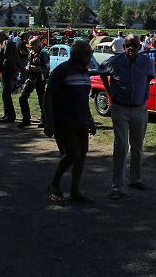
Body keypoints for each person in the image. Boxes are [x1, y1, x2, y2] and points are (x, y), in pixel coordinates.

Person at [98, 34, 156, 200]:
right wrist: (109, 92)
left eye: (135, 45)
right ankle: (117, 186)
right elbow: (102, 71)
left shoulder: (146, 62)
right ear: (123, 47)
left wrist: (143, 93)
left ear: (140, 47)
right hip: (120, 108)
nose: (131, 48)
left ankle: (135, 180)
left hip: (140, 109)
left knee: (137, 146)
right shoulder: (114, 61)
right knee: (121, 146)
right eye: (128, 45)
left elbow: (150, 77)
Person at [43, 39, 96, 203]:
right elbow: (48, 96)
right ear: (77, 54)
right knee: (73, 153)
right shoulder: (62, 70)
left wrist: (90, 119)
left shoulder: (85, 72)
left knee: (82, 155)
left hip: (81, 121)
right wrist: (49, 122)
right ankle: (54, 184)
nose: (90, 55)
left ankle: (75, 191)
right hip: (63, 120)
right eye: (88, 53)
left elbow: (83, 99)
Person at [18, 37, 50, 128]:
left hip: (40, 79)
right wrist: (28, 67)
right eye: (29, 45)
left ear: (37, 45)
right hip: (31, 78)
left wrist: (34, 68)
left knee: (41, 100)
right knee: (22, 97)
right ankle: (26, 119)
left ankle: (44, 120)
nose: (30, 47)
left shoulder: (43, 54)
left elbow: (46, 69)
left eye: (32, 45)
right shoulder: (31, 53)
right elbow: (29, 63)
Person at [0, 31, 19, 122]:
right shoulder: (5, 43)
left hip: (8, 72)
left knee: (6, 94)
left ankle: (10, 116)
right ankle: (6, 114)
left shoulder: (8, 43)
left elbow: (9, 59)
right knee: (4, 94)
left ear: (2, 36)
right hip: (6, 72)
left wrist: (4, 68)